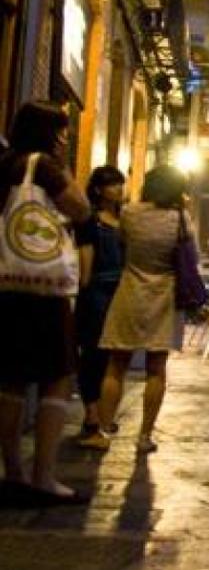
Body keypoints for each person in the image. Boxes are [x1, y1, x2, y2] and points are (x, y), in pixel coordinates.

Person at [0, 102, 92, 506]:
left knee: (12, 378)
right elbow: (81, 207)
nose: (67, 136)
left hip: (7, 281)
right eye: (63, 129)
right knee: (58, 375)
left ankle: (12, 471)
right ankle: (44, 476)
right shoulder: (46, 167)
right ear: (50, 132)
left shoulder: (5, 164)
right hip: (45, 288)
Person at [92, 165, 195, 455]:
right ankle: (144, 435)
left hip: (130, 290)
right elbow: (190, 257)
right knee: (156, 369)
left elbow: (123, 245)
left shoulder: (129, 213)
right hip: (164, 295)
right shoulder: (181, 219)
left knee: (116, 364)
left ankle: (103, 429)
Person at [74, 166, 127, 449]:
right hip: (96, 292)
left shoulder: (125, 220)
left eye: (121, 184)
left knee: (113, 358)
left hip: (121, 293)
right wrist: (83, 291)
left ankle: (103, 414)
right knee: (93, 355)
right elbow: (86, 262)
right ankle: (91, 413)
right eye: (113, 184)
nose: (120, 189)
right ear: (98, 189)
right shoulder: (89, 221)